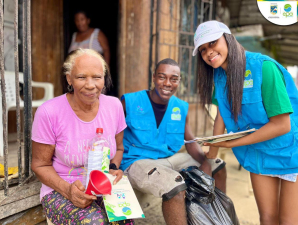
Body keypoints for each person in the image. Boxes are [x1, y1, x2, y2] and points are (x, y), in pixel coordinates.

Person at [192, 20, 298, 225]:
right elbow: (223, 112)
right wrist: (212, 153)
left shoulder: (263, 67)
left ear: (228, 39)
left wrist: (229, 144)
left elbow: (282, 124)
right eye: (203, 49)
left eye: (213, 43)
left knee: (288, 221)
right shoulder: (219, 76)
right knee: (267, 218)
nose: (209, 52)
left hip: (290, 152)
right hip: (258, 153)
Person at [31, 49, 133, 225]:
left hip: (102, 183)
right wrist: (68, 190)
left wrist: (113, 168)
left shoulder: (114, 106)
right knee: (95, 222)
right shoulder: (49, 112)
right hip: (62, 188)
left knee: (124, 217)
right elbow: (40, 164)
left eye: (97, 77)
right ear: (69, 79)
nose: (91, 85)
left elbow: (120, 148)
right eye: (81, 77)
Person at [120, 58, 227, 225]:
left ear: (179, 81)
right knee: (174, 184)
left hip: (168, 160)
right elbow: (110, 136)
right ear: (154, 77)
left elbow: (190, 142)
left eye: (174, 78)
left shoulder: (181, 107)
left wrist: (205, 161)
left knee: (217, 164)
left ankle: (215, 219)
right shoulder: (130, 102)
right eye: (162, 77)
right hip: (136, 162)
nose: (167, 83)